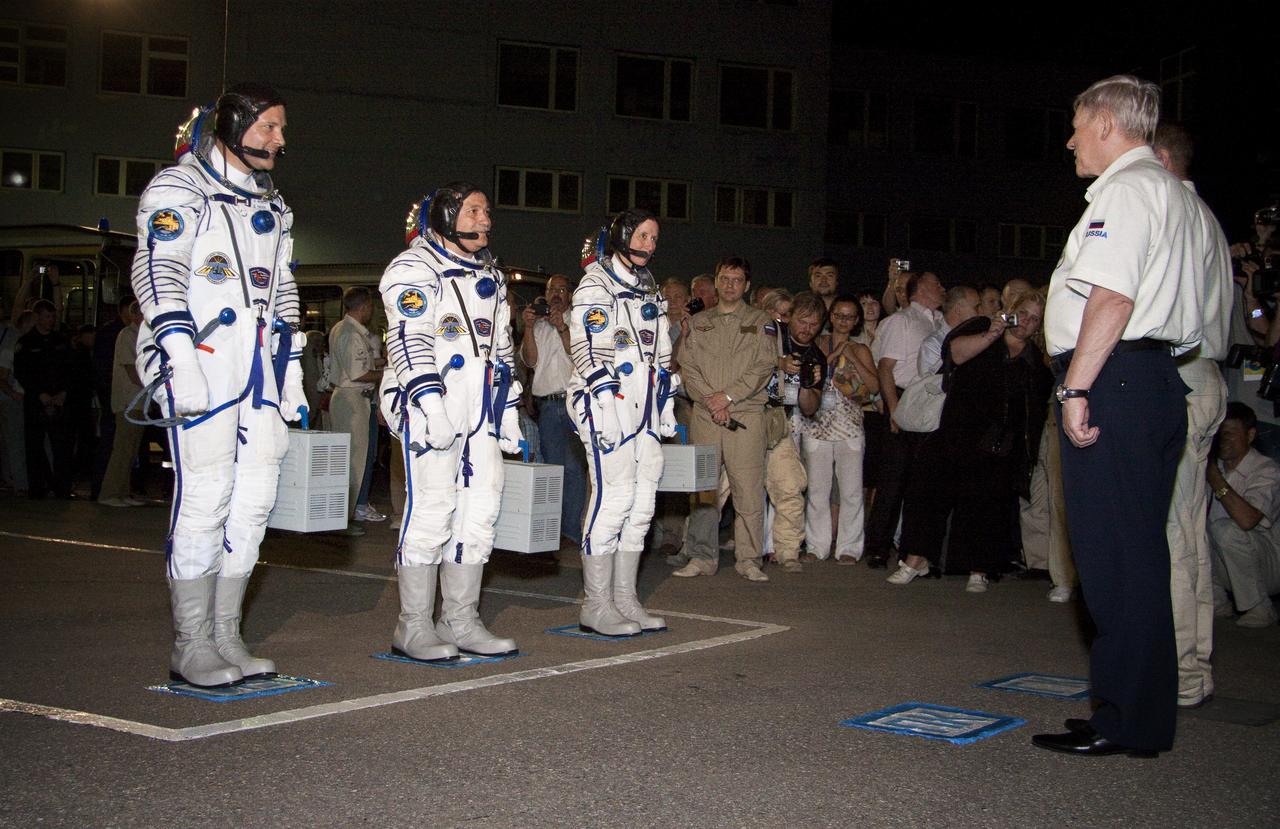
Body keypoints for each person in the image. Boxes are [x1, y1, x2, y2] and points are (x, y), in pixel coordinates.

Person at [1032, 75, 1207, 757]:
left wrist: (1076, 389)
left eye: (1078, 125)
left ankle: (1127, 720)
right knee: (1135, 556)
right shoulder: (1174, 193)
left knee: (1113, 562)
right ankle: (1130, 713)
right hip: (1151, 376)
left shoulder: (1128, 190)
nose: (1072, 139)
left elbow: (1113, 297)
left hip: (1115, 376)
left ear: (1107, 124)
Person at [129, 83, 304, 687]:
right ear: (232, 125)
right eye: (268, 127)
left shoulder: (273, 206)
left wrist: (294, 368)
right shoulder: (180, 188)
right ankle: (191, 642)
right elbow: (157, 271)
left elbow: (281, 290)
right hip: (201, 363)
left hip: (257, 374)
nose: (279, 140)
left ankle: (227, 634)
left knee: (253, 503)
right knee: (206, 497)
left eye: (281, 129)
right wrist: (180, 356)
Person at [378, 182, 522, 661]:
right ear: (445, 217)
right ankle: (413, 625)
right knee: (432, 511)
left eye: (487, 211)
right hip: (431, 405)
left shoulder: (493, 277)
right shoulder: (414, 268)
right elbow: (407, 338)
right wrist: (430, 403)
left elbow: (500, 347)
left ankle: (459, 618)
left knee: (481, 511)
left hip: (480, 408)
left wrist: (510, 407)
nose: (486, 220)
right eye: (475, 211)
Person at [890, 291, 1050, 591]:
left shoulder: (1034, 363)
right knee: (928, 493)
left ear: (1039, 327)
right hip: (955, 430)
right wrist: (992, 334)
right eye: (1023, 313)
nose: (1026, 321)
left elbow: (1031, 410)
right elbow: (956, 353)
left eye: (1034, 319)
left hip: (997, 445)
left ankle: (980, 569)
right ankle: (916, 560)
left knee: (986, 505)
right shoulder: (980, 327)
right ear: (1010, 310)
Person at [1153, 122, 1234, 708]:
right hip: (1206, 376)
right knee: (1190, 528)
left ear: (1158, 158)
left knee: (1174, 532)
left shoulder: (1174, 209)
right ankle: (1196, 662)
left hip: (1181, 374)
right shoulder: (1207, 213)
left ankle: (1180, 670)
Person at [566, 209, 675, 634]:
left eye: (654, 237)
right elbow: (589, 349)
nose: (649, 244)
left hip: (644, 406)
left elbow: (661, 350)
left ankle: (626, 599)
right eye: (643, 235)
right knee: (612, 498)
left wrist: (664, 404)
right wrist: (606, 405)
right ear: (622, 237)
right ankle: (596, 604)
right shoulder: (596, 285)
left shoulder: (649, 289)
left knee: (643, 502)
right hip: (603, 400)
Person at [675, 256, 779, 581]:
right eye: (724, 278)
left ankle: (749, 560)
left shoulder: (762, 321)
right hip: (706, 416)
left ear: (747, 285)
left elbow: (763, 367)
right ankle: (701, 557)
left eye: (737, 280)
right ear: (717, 282)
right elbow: (687, 365)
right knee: (703, 491)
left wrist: (728, 397)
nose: (730, 285)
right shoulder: (699, 321)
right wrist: (711, 399)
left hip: (744, 415)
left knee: (747, 489)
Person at [864, 270, 943, 568]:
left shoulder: (936, 321)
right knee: (893, 479)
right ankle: (878, 546)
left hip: (926, 399)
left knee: (917, 481)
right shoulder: (903, 320)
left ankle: (909, 547)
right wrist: (895, 409)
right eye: (937, 284)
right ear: (921, 288)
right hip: (903, 397)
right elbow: (886, 368)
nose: (942, 288)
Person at [806, 293, 877, 563]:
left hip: (850, 428)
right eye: (838, 315)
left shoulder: (862, 349)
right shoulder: (819, 343)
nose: (843, 320)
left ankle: (849, 547)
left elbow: (874, 388)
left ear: (857, 320)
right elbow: (813, 374)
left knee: (851, 492)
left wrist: (852, 356)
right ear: (830, 316)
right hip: (818, 427)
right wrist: (835, 354)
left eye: (849, 316)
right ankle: (816, 546)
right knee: (817, 490)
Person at [520, 274, 588, 550]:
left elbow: (579, 354)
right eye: (552, 290)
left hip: (573, 403)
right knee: (552, 469)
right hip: (547, 405)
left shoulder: (580, 321)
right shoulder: (538, 325)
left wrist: (562, 328)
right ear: (546, 295)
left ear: (570, 295)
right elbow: (530, 360)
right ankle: (550, 532)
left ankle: (570, 530)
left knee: (573, 470)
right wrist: (527, 326)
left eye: (562, 289)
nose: (557, 294)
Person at [1208, 403, 1280, 627]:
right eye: (1220, 433)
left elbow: (1247, 520)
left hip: (1268, 566)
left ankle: (1260, 607)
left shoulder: (1266, 469)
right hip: (1231, 568)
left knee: (1225, 529)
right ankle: (1216, 601)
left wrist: (1216, 479)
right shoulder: (1215, 466)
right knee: (1188, 528)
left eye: (1230, 433)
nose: (1223, 439)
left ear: (1250, 435)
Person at [328, 286, 387, 526]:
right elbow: (358, 373)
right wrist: (386, 374)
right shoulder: (350, 334)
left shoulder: (342, 329)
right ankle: (351, 511)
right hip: (352, 400)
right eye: (371, 306)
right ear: (364, 307)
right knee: (355, 458)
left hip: (354, 399)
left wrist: (382, 362)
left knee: (363, 454)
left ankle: (357, 505)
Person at [14, 300, 74, 500]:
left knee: (62, 447)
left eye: (53, 316)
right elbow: (22, 373)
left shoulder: (61, 341)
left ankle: (62, 488)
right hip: (36, 401)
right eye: (47, 316)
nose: (51, 320)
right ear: (38, 317)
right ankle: (37, 488)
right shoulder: (27, 343)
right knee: (34, 446)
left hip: (59, 400)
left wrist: (63, 392)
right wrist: (40, 394)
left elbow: (69, 370)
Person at [98, 300, 146, 507]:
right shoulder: (127, 335)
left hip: (139, 400)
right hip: (129, 399)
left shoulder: (141, 337)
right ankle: (109, 493)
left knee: (131, 449)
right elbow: (131, 369)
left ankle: (122, 491)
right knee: (123, 447)